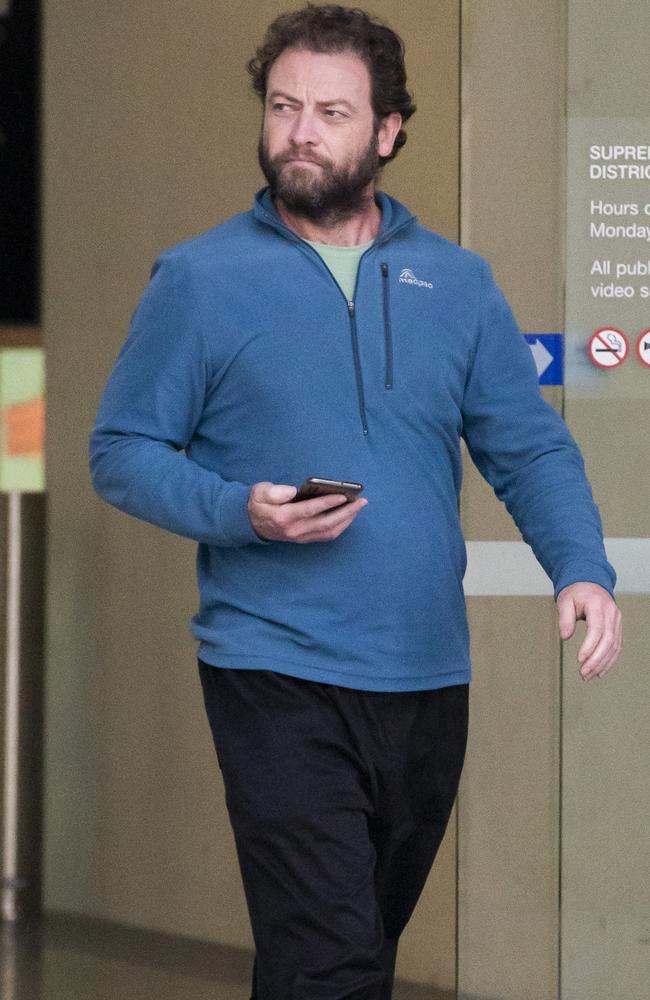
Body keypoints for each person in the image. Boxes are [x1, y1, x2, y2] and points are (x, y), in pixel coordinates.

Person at [89, 4, 622, 997]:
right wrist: (234, 507)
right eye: (283, 105)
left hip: (424, 676)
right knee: (330, 961)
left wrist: (581, 566)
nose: (299, 130)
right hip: (272, 667)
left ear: (386, 133)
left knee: (341, 954)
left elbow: (529, 446)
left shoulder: (457, 284)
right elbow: (119, 450)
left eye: (330, 112)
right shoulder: (200, 280)